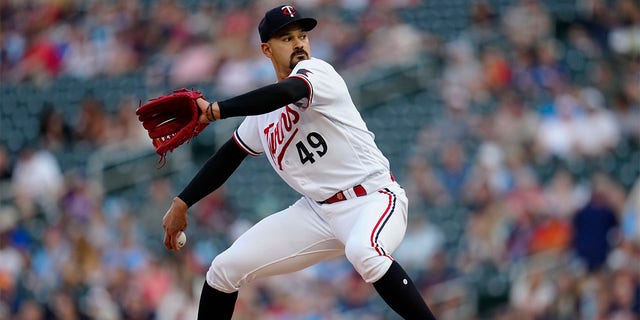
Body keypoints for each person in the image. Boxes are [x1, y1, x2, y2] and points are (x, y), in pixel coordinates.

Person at [161, 5, 437, 319]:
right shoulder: (263, 115)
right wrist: (182, 203)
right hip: (318, 212)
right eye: (287, 38)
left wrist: (214, 110)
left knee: (364, 251)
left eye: (303, 35)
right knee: (223, 270)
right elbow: (228, 156)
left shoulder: (316, 72)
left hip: (372, 199)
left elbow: (289, 91)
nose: (299, 44)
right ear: (266, 49)